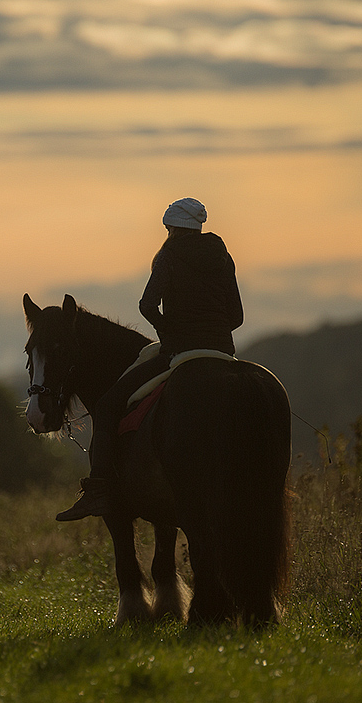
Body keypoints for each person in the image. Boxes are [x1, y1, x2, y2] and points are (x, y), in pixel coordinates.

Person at [56, 197, 244, 521]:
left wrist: (168, 330)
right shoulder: (222, 255)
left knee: (107, 405)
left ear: (171, 228)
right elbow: (237, 317)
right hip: (223, 351)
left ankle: (99, 490)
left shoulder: (169, 255)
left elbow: (146, 305)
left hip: (179, 351)